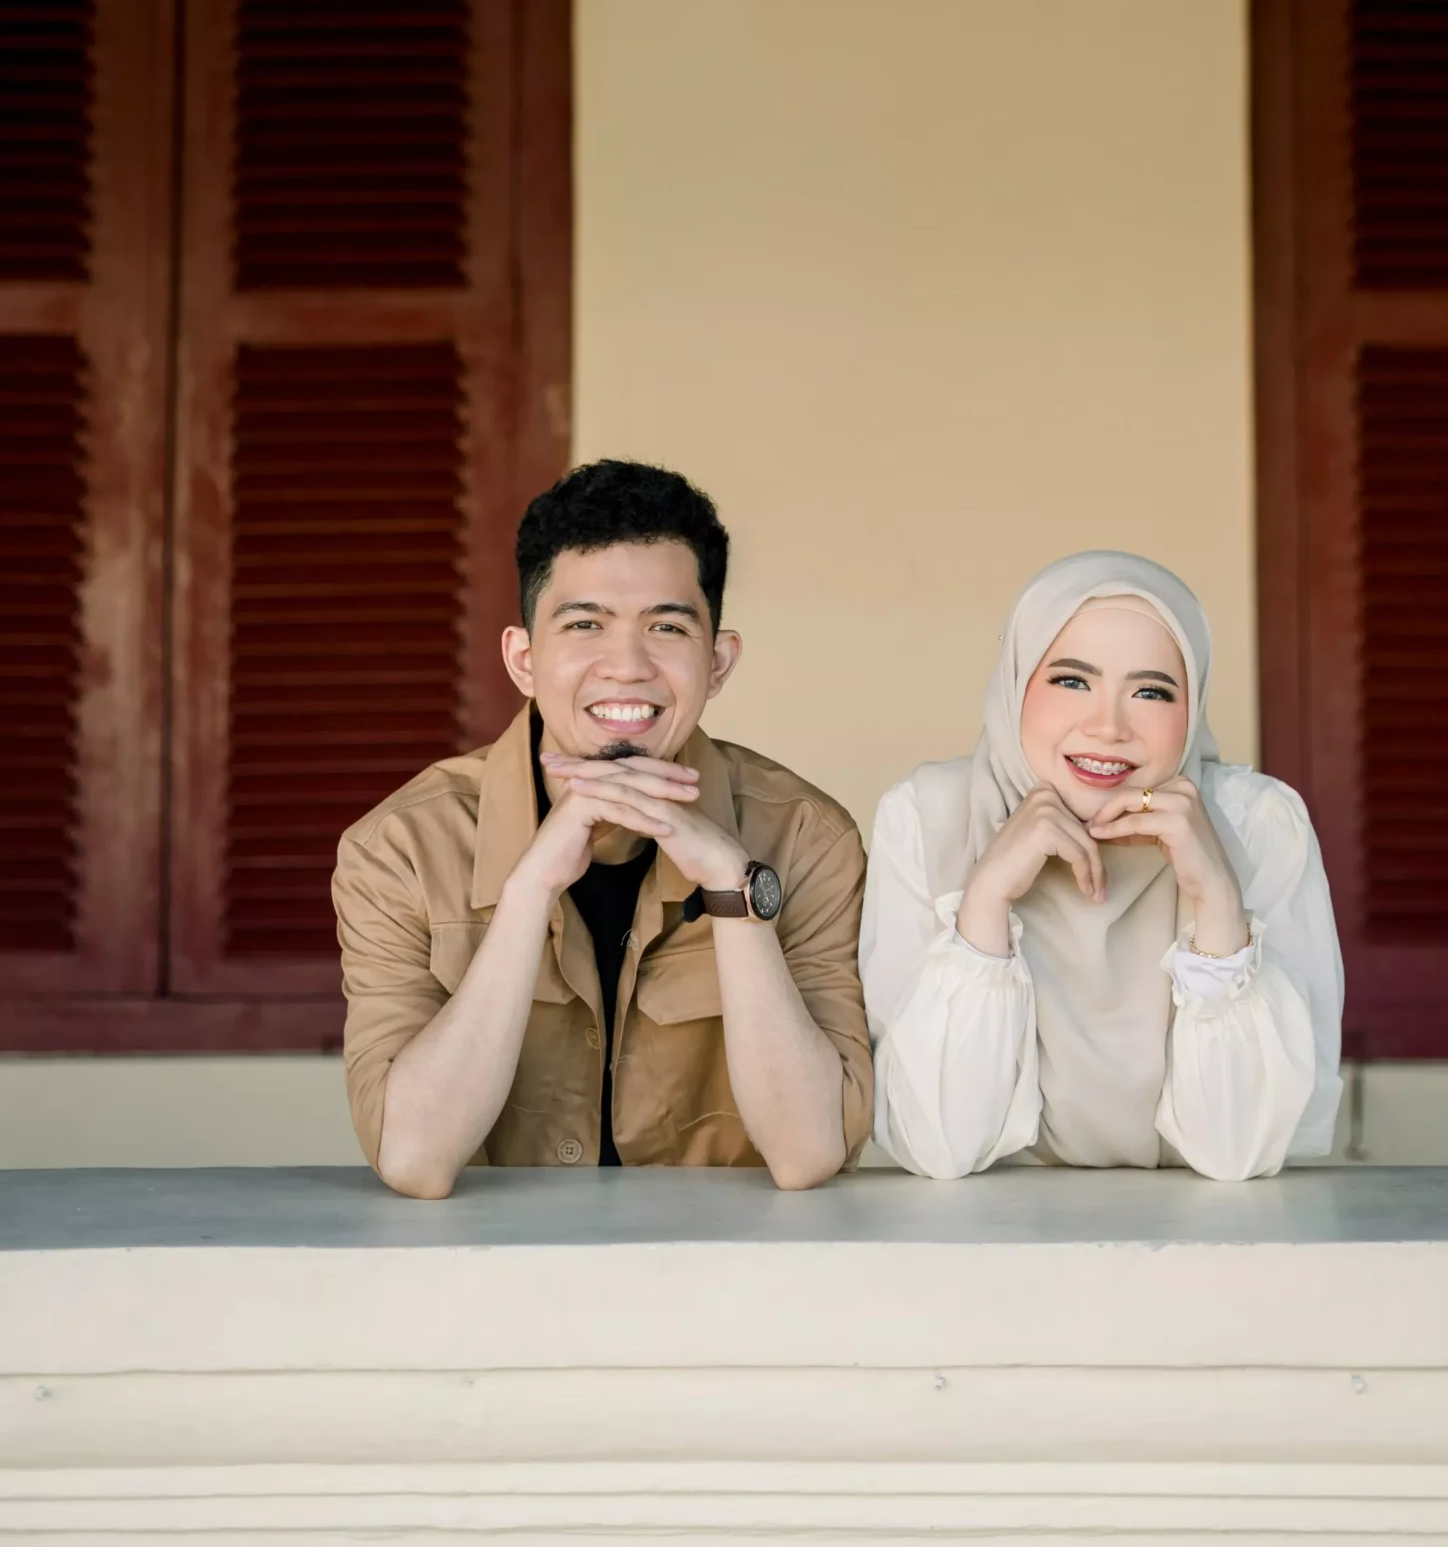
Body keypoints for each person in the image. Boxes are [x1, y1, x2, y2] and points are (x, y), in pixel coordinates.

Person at [333, 460, 872, 1196]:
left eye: (666, 626)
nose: (627, 666)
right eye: (585, 625)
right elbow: (415, 1157)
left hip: (723, 1258)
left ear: (718, 662)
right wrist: (528, 891)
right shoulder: (399, 850)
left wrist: (732, 887)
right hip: (490, 1260)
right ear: (524, 659)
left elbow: (807, 1151)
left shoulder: (807, 840)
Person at [859, 551, 1342, 1180]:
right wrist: (985, 900)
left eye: (1151, 692)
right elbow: (938, 1147)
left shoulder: (1258, 825)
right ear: (1016, 683)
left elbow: (1238, 1153)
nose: (1109, 727)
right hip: (988, 1232)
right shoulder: (926, 817)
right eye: (1071, 681)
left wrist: (1218, 903)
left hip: (1200, 1234)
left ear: (1193, 708)